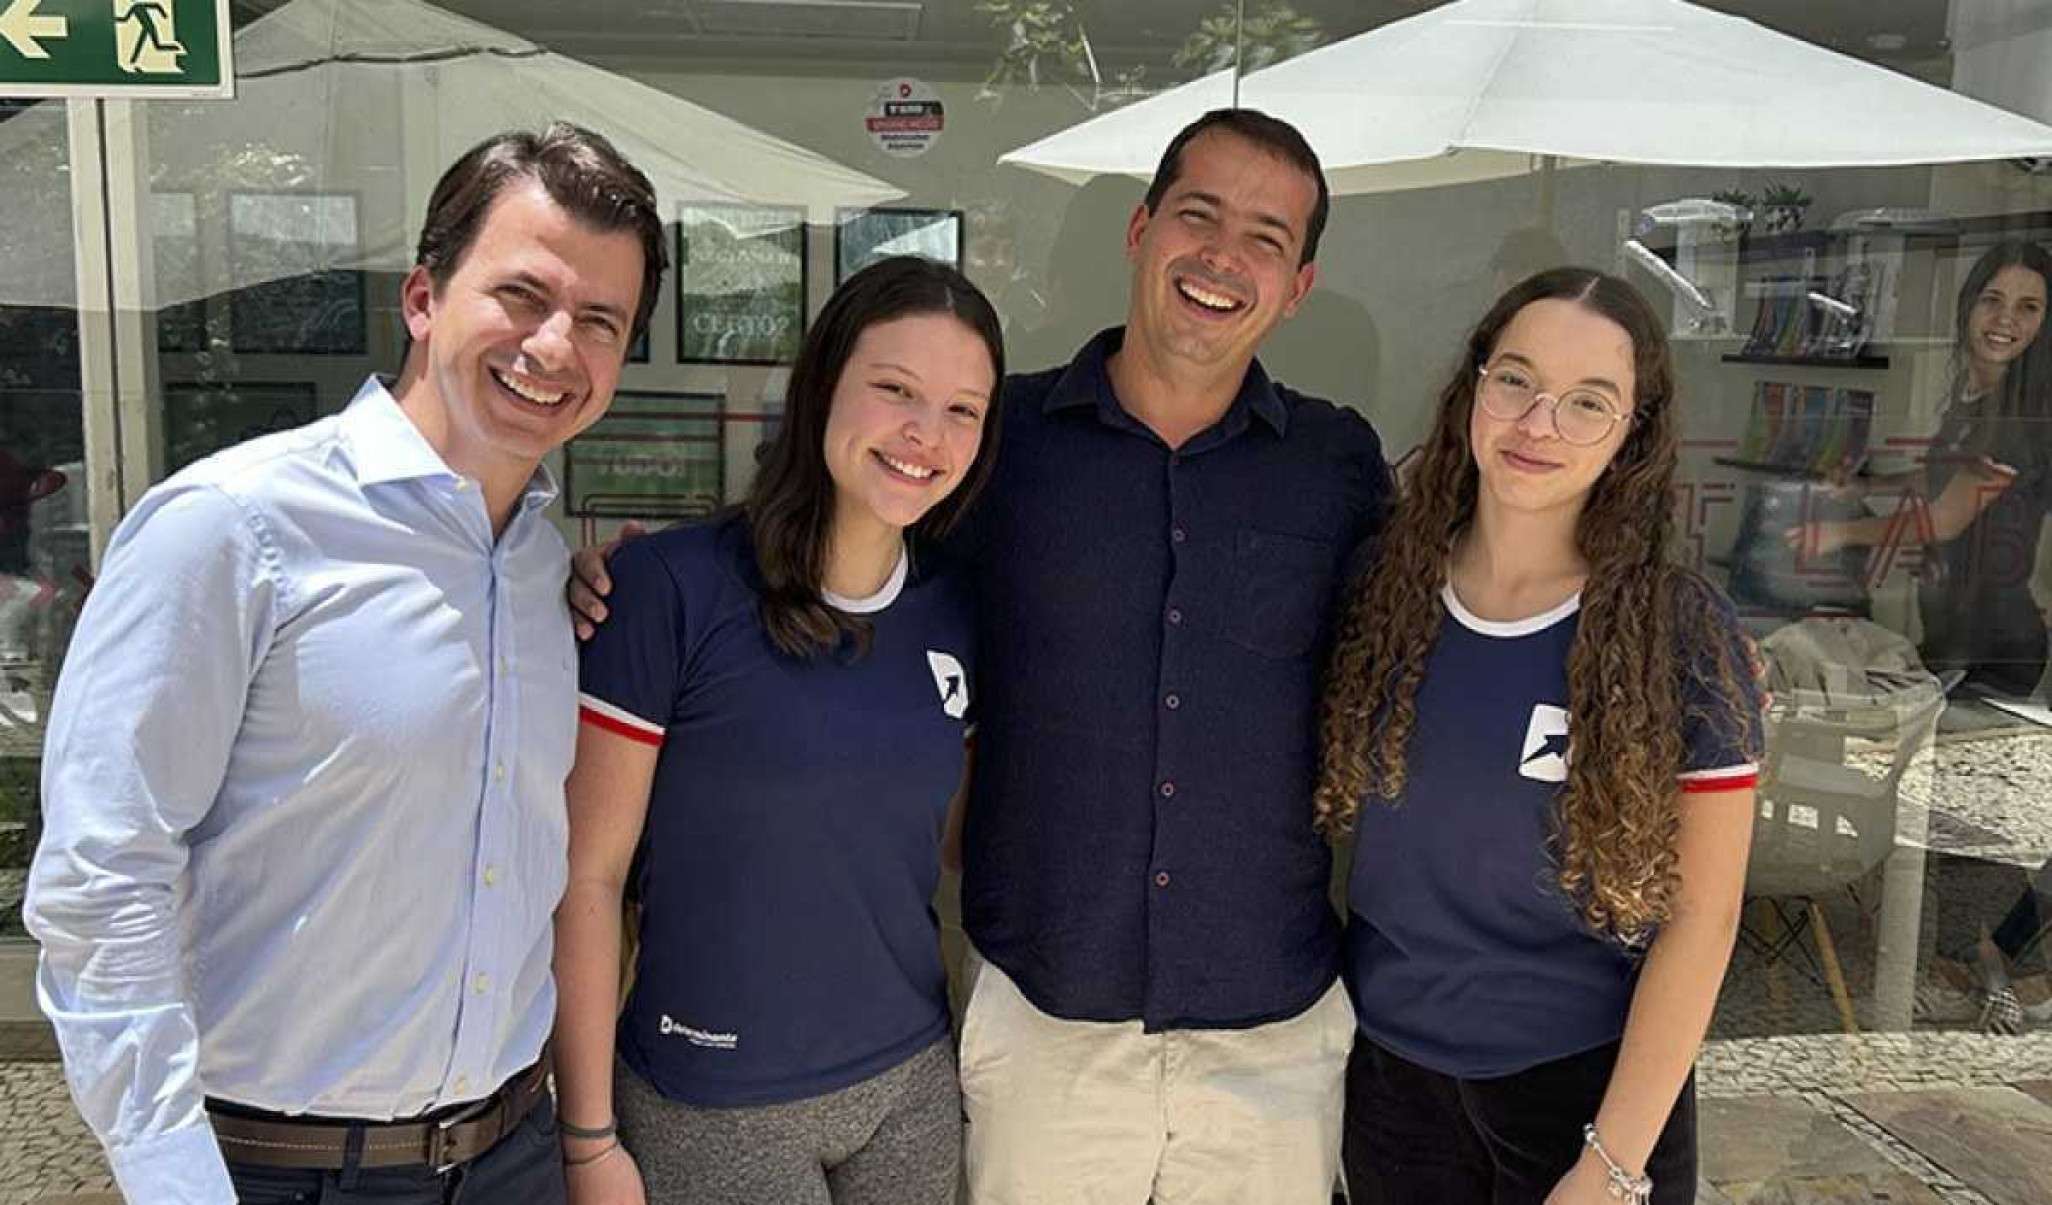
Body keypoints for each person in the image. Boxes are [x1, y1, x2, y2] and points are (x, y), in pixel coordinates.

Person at [571, 108, 1390, 1204]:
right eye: (1198, 215)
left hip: (1272, 1030)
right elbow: (840, 523)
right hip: (1045, 1021)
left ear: (1297, 286)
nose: (1222, 256)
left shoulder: (1336, 465)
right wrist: (622, 571)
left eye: (1265, 238)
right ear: (1142, 229)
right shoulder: (999, 439)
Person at [24, 123, 666, 1204]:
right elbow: (101, 877)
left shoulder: (546, 570)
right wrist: (173, 1179)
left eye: (600, 319)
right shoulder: (231, 528)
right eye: (522, 295)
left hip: (512, 1153)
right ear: (424, 298)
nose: (557, 346)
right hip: (279, 1170)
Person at [552, 256, 1003, 1205]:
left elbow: (944, 842)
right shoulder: (666, 592)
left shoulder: (959, 610)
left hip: (908, 1079)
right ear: (822, 383)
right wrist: (587, 1136)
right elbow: (586, 878)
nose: (926, 433)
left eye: (963, 409)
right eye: (895, 390)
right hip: (713, 1097)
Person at [1318, 268, 1764, 1205]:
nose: (1538, 424)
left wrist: (1613, 1164)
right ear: (1474, 384)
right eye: (1515, 379)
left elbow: (1704, 920)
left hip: (1587, 1094)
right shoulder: (1379, 589)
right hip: (1393, 1083)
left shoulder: (1675, 632)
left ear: (1633, 434)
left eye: (1587, 403)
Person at [1788, 241, 2052, 698]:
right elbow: (1941, 479)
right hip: (1950, 633)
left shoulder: (2021, 420)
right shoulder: (1974, 403)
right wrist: (1866, 486)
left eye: (2028, 307)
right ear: (1969, 304)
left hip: (1996, 645)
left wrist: (1839, 534)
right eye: (1993, 300)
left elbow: (1944, 519)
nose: (2006, 319)